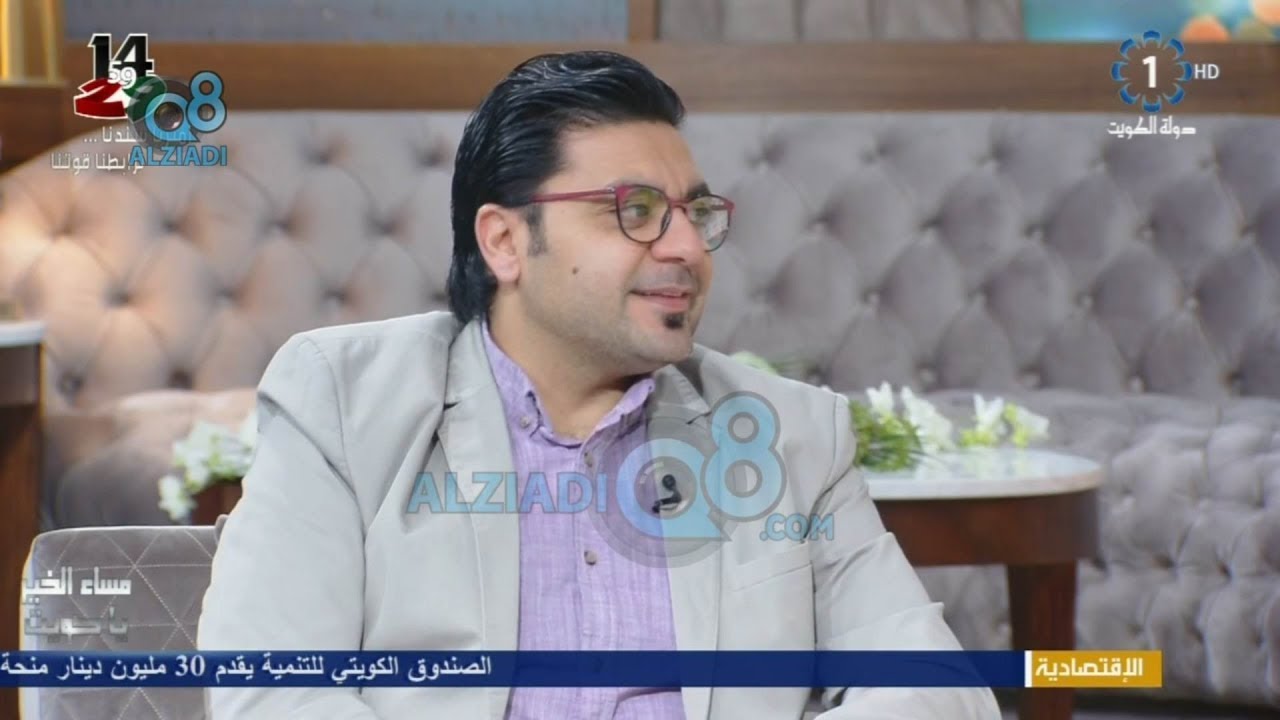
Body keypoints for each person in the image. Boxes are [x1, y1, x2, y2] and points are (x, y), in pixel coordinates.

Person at [198, 50, 1001, 720]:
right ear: (505, 241)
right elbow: (271, 691)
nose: (687, 247)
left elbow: (938, 691)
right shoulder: (346, 402)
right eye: (636, 211)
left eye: (695, 213)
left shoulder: (790, 434)